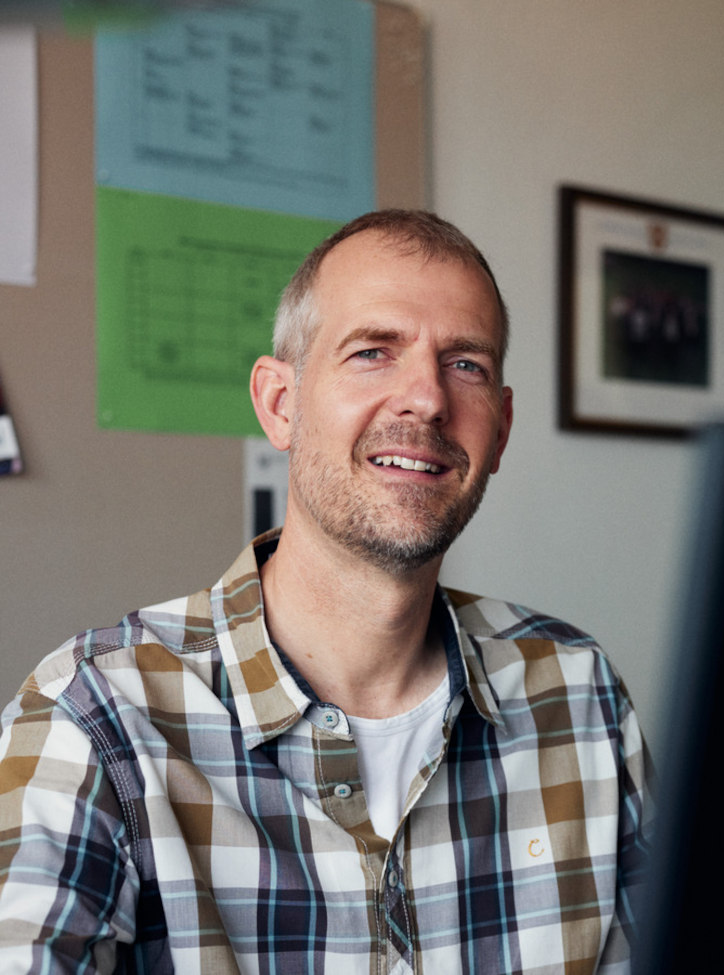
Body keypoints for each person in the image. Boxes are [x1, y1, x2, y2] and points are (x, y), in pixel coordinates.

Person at [0, 210, 651, 973]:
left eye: (465, 364)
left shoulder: (578, 695)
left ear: (500, 431)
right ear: (280, 404)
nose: (428, 399)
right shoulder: (93, 717)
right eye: (373, 351)